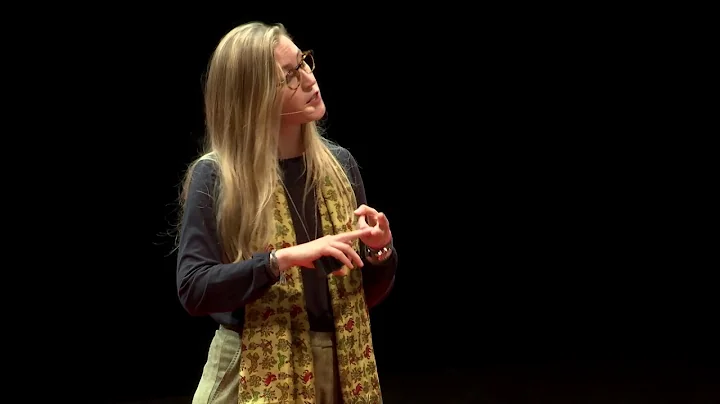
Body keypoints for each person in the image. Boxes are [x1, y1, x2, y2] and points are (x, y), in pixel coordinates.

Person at [176, 21, 398, 404]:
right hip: (248, 367)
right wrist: (280, 261)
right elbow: (195, 289)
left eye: (304, 63)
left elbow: (361, 295)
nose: (309, 79)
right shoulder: (217, 175)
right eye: (289, 76)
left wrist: (380, 252)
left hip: (340, 366)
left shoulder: (339, 166)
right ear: (254, 96)